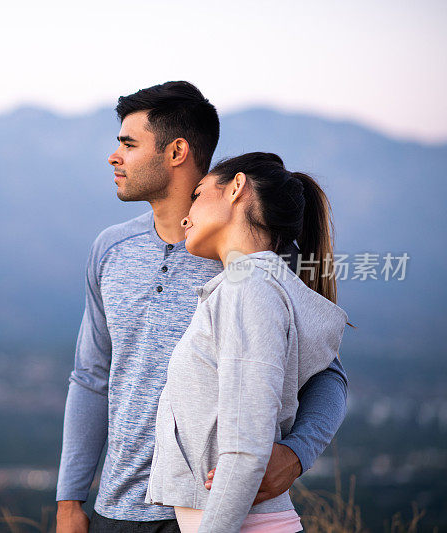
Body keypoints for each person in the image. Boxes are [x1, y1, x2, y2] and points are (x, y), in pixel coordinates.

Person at [55, 82, 349, 532]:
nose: (114, 157)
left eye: (128, 144)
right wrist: (70, 500)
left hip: (208, 508)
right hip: (114, 510)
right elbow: (92, 377)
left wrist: (297, 453)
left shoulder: (257, 264)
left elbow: (325, 373)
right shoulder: (110, 249)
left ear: (175, 152)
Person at [144, 152, 349, 532]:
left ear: (237, 187)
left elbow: (246, 447)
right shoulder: (255, 285)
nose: (186, 216)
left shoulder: (248, 287)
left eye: (198, 195)